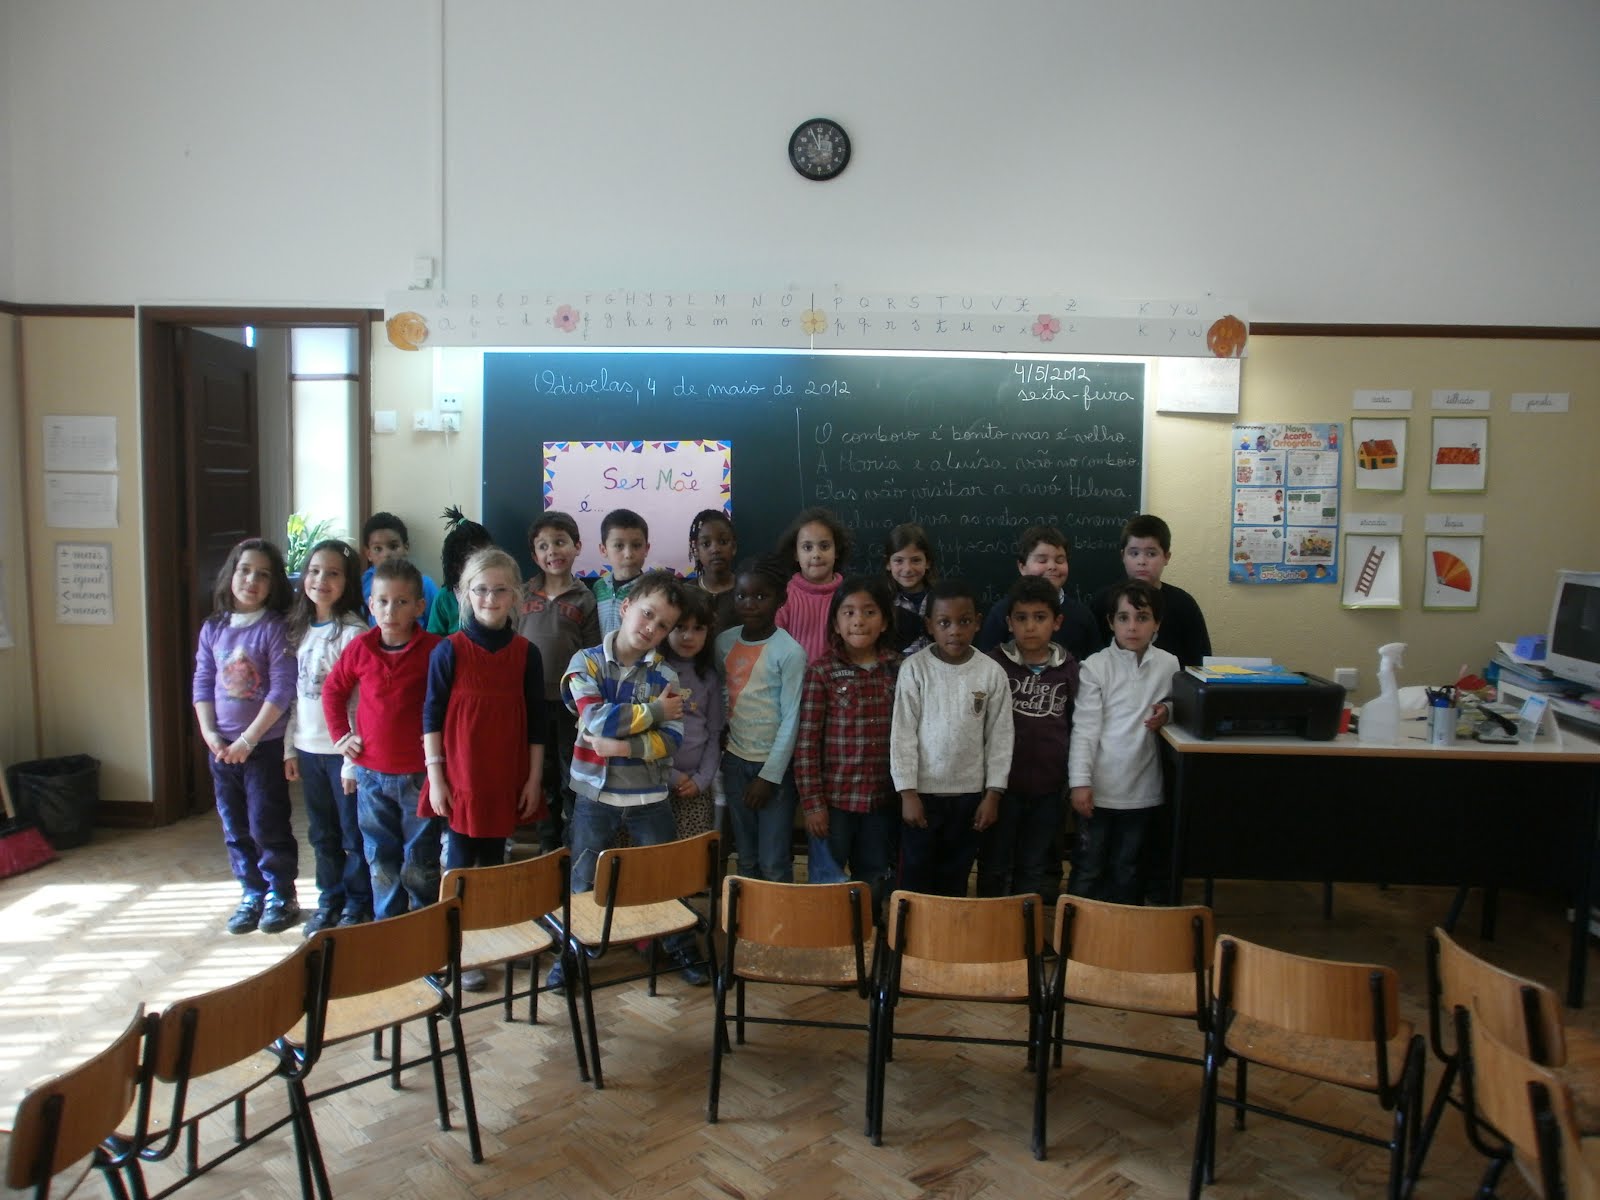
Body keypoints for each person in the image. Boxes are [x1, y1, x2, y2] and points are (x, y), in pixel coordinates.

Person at [554, 569, 705, 989]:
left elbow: (671, 741)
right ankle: (573, 952)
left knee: (664, 875)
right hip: (594, 796)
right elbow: (595, 719)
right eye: (647, 614)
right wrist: (654, 713)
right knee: (583, 878)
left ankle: (680, 945)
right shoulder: (585, 662)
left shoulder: (665, 676)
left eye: (664, 625)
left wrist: (621, 748)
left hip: (649, 796)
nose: (652, 628)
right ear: (625, 607)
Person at [423, 547, 546, 990]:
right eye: (480, 590)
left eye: (500, 590)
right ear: (464, 594)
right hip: (460, 778)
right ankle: (455, 948)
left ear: (515, 596)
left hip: (504, 776)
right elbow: (431, 716)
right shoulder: (449, 651)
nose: (490, 599)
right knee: (460, 863)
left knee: (496, 862)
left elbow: (537, 721)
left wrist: (533, 778)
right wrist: (436, 778)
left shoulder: (526, 653)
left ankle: (492, 939)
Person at [322, 558, 444, 919]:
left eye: (401, 602)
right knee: (379, 856)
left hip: (420, 775)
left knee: (420, 859)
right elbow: (333, 691)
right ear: (371, 605)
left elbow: (450, 703)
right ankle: (387, 924)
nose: (390, 611)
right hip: (371, 775)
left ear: (419, 607)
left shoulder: (436, 650)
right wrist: (341, 736)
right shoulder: (360, 648)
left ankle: (424, 922)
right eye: (383, 601)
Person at [191, 537, 300, 935]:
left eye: (263, 575)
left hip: (262, 747)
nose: (252, 580)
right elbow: (203, 682)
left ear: (274, 584)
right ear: (231, 574)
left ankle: (280, 893)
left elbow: (281, 691)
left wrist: (248, 741)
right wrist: (210, 733)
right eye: (245, 571)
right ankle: (251, 892)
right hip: (222, 750)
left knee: (266, 823)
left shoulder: (274, 629)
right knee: (234, 826)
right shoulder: (213, 628)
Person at [890, 578, 1014, 897]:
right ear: (929, 625)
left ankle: (948, 929)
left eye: (964, 621)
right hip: (922, 795)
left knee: (955, 875)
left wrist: (993, 794)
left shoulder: (991, 672)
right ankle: (911, 929)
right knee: (915, 874)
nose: (955, 631)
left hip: (969, 797)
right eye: (945, 623)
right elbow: (902, 734)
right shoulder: (914, 669)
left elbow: (1000, 738)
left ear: (978, 623)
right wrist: (907, 793)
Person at [1067, 580, 1179, 905]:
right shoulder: (1095, 667)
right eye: (1123, 618)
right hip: (1099, 789)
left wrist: (1168, 711)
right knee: (1089, 866)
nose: (1132, 627)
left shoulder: (1169, 664)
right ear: (1110, 622)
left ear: (1157, 623)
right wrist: (1079, 783)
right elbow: (1084, 729)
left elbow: (1179, 704)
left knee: (1127, 868)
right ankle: (1075, 929)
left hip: (1143, 790)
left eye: (1142, 618)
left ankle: (1121, 930)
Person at [283, 538, 372, 936]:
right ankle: (329, 899)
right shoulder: (299, 628)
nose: (321, 580)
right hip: (308, 749)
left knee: (352, 833)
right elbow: (295, 696)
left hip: (343, 753)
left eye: (333, 573)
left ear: (347, 581)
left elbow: (361, 704)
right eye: (315, 571)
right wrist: (289, 748)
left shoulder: (353, 633)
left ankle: (357, 902)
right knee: (322, 834)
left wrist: (352, 760)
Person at [795, 575, 900, 909]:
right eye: (849, 612)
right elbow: (807, 744)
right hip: (834, 802)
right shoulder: (822, 672)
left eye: (869, 612)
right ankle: (828, 934)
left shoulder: (898, 669)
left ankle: (867, 932)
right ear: (836, 624)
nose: (859, 620)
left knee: (874, 877)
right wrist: (813, 804)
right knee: (827, 881)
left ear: (884, 621)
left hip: (881, 800)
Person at [979, 576, 1078, 901]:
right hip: (1002, 788)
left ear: (1057, 622)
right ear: (1009, 623)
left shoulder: (1068, 668)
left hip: (1049, 788)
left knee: (1033, 864)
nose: (1030, 627)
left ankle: (1026, 925)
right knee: (995, 862)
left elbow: (1076, 722)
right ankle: (991, 922)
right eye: (1021, 618)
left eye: (1040, 617)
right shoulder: (993, 664)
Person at [718, 555, 807, 883]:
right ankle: (745, 917)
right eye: (742, 595)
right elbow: (722, 696)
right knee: (746, 858)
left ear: (780, 599)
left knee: (773, 861)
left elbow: (792, 718)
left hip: (774, 770)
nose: (750, 603)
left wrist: (769, 777)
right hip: (734, 763)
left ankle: (777, 917)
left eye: (760, 596)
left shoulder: (790, 652)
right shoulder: (724, 642)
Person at [517, 510, 601, 851]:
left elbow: (592, 654)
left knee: (571, 778)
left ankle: (573, 849)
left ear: (577, 546)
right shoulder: (522, 594)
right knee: (540, 776)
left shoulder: (585, 598)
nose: (552, 551)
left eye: (560, 542)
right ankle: (547, 847)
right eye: (543, 546)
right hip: (529, 702)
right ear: (534, 555)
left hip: (571, 706)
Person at [1093, 513, 1213, 668]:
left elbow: (1200, 663)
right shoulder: (1103, 601)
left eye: (1151, 554)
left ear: (1166, 557)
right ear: (1123, 556)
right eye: (1134, 553)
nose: (1142, 561)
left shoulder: (1184, 604)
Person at [976, 525, 1100, 662]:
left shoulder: (1083, 616)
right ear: (1022, 567)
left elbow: (1094, 666)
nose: (1052, 566)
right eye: (1042, 560)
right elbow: (986, 664)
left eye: (1059, 560)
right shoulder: (1001, 612)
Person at [660, 586, 724, 840]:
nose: (688, 636)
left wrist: (702, 780)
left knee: (690, 855)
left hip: (695, 786)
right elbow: (645, 733)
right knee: (653, 853)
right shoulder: (654, 672)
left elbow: (715, 733)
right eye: (680, 627)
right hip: (655, 781)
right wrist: (671, 776)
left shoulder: (709, 678)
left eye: (698, 628)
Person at [773, 506, 851, 663]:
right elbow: (774, 648)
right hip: (795, 675)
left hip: (840, 675)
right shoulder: (784, 597)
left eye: (824, 546)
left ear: (836, 551)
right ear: (796, 554)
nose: (816, 554)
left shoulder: (849, 595)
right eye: (807, 547)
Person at [360, 511, 441, 629]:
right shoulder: (363, 584)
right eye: (378, 548)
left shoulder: (424, 584)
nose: (386, 554)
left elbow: (436, 627)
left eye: (393, 547)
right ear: (368, 554)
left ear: (406, 548)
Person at [426, 506, 494, 634]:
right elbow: (433, 639)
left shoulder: (496, 591)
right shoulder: (445, 598)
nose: (482, 565)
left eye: (486, 557)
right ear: (456, 566)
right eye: (473, 560)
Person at [592, 507, 650, 636]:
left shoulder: (650, 590)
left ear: (646, 549)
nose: (628, 554)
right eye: (619, 546)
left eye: (636, 545)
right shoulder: (599, 587)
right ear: (603, 550)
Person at [883, 522, 935, 656]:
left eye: (916, 560)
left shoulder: (940, 599)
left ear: (927, 562)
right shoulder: (883, 602)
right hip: (898, 667)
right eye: (899, 561)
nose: (907, 569)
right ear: (888, 564)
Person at [684, 508, 738, 634]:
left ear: (734, 547)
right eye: (706, 544)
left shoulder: (746, 591)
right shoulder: (685, 593)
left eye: (723, 542)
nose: (715, 549)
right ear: (696, 550)